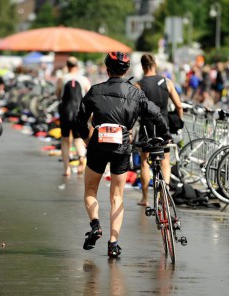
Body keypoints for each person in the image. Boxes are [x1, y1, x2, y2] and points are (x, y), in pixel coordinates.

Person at [76, 51, 172, 258]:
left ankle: (95, 225)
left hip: (98, 145)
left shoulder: (95, 90)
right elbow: (155, 113)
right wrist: (166, 135)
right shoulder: (135, 93)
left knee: (90, 190)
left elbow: (79, 119)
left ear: (106, 68)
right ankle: (113, 243)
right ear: (126, 70)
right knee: (117, 196)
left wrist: (86, 140)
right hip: (122, 145)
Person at [134, 53, 183, 207]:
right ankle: (164, 195)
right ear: (155, 64)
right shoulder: (167, 82)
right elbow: (179, 105)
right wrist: (178, 121)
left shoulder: (138, 85)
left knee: (144, 162)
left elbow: (134, 109)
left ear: (142, 67)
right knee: (165, 161)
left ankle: (145, 198)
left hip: (146, 127)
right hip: (164, 125)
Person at [56, 57, 91, 176]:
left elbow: (58, 95)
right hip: (78, 112)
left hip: (65, 111)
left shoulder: (62, 78)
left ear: (67, 66)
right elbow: (89, 97)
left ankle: (67, 169)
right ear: (77, 66)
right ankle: (81, 156)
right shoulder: (84, 79)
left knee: (65, 140)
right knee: (78, 139)